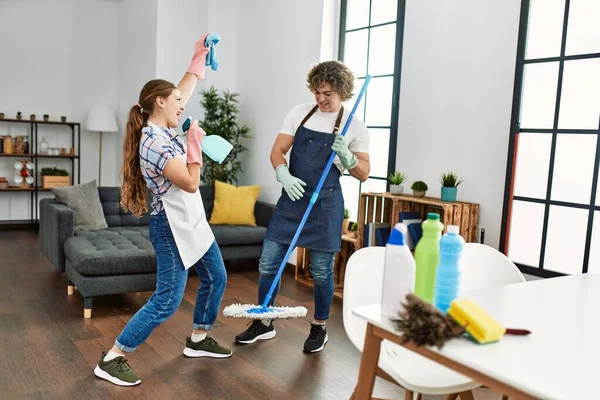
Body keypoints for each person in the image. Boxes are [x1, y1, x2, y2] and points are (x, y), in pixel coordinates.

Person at [94, 34, 231, 387]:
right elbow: (188, 183)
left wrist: (198, 56)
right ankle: (114, 357)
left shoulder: (164, 126)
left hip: (192, 221)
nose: (183, 107)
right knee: (168, 300)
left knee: (217, 277)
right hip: (170, 226)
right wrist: (195, 148)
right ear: (159, 102)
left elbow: (184, 88)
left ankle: (199, 339)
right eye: (176, 103)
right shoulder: (154, 143)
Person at [234, 61, 370, 353]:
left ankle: (320, 327)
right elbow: (277, 151)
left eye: (329, 93)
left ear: (343, 92)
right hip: (292, 199)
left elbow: (364, 173)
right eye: (318, 91)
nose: (321, 99)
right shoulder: (300, 113)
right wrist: (282, 173)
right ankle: (264, 322)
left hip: (326, 204)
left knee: (322, 271)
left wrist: (347, 157)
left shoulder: (354, 126)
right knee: (268, 262)